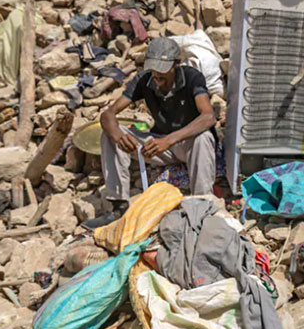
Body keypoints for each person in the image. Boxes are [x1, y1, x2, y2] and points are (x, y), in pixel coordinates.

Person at [85, 37, 217, 229]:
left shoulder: (192, 77)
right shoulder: (144, 80)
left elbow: (208, 117)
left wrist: (169, 140)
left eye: (163, 70)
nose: (157, 75)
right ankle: (118, 207)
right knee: (109, 133)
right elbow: (108, 115)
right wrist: (118, 137)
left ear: (176, 65)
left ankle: (201, 205)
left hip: (187, 144)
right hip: (159, 146)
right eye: (154, 69)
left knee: (203, 137)